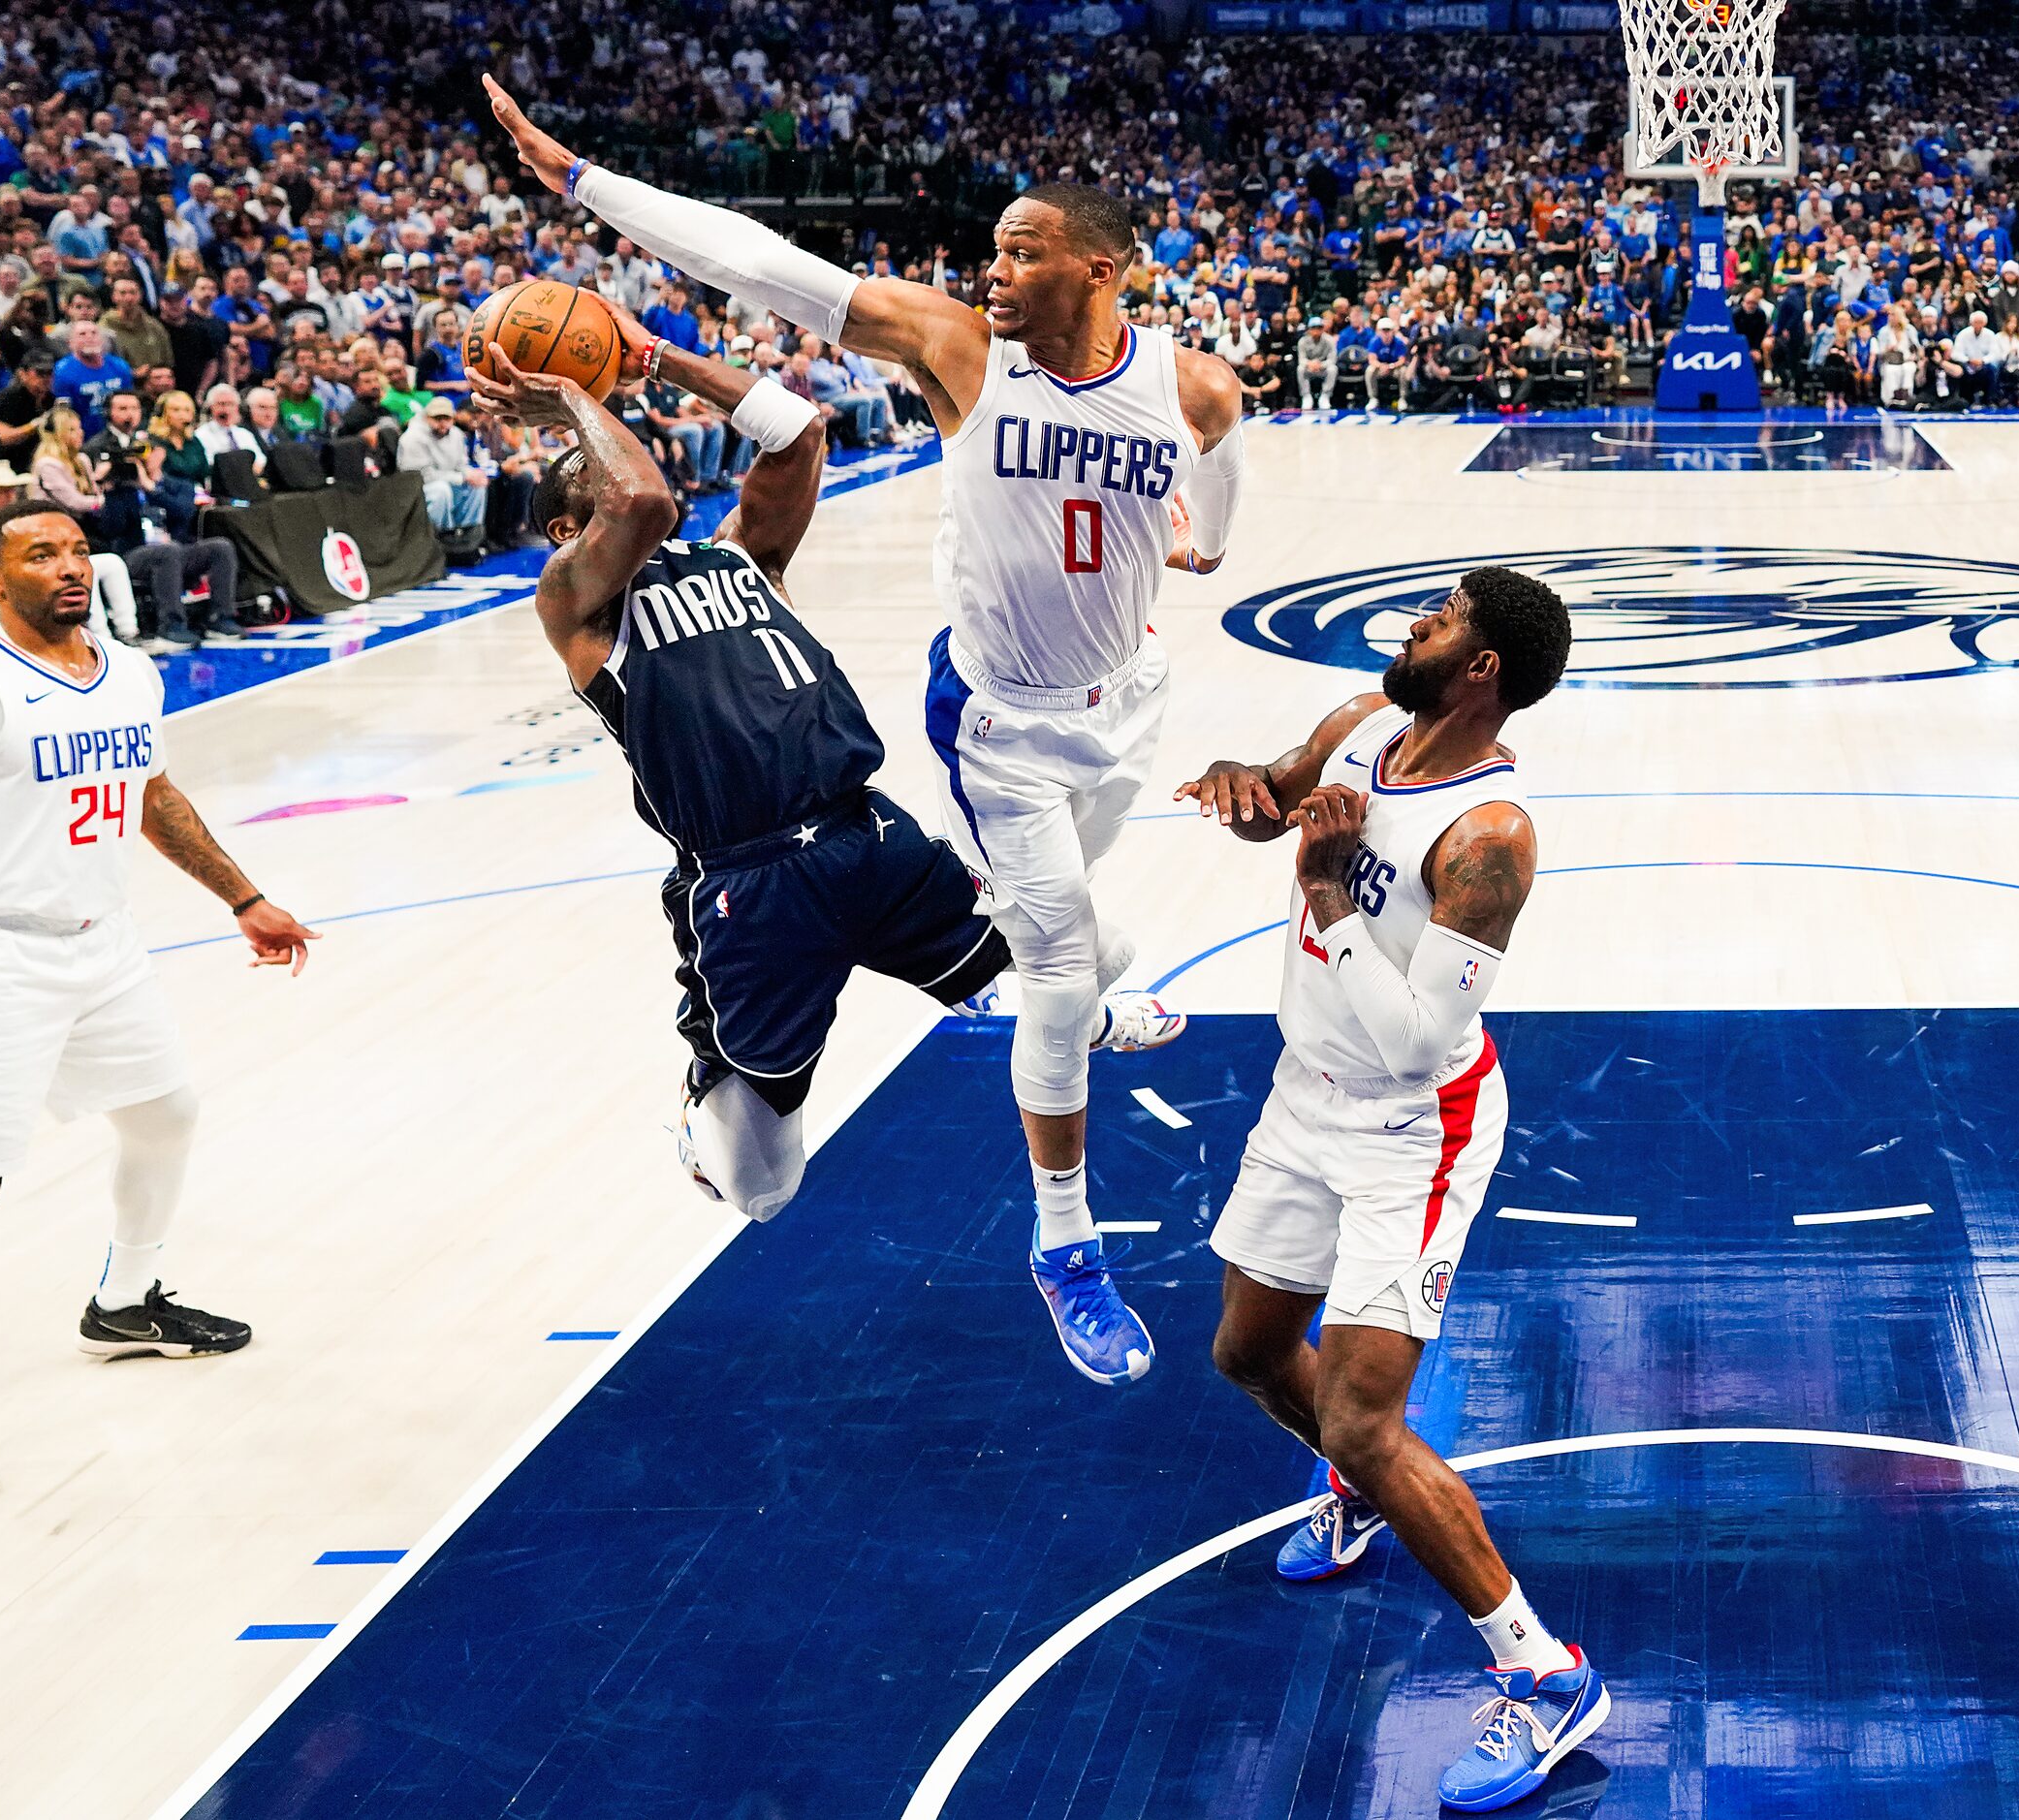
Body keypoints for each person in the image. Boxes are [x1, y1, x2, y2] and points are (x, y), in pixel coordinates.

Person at [490, 75, 1236, 1387]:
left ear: (1100, 270)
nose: (992, 269)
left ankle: (1069, 990)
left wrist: (1200, 532)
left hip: (1096, 715)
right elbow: (761, 268)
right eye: (992, 249)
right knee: (1042, 982)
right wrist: (581, 186)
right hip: (953, 749)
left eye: (1022, 250)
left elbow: (1215, 480)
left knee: (1078, 943)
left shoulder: (1188, 386)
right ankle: (1061, 1246)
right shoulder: (952, 354)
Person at [1174, 568, 1602, 1812]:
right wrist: (1244, 794)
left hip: (1415, 1126)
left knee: (1362, 1416)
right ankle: (1360, 1497)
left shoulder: (1490, 839)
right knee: (1249, 1354)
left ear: (1481, 671)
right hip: (1303, 1090)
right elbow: (1280, 803)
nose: (1414, 621)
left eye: (1442, 620)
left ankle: (1547, 1672)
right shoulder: (1362, 724)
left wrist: (1323, 894)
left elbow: (1420, 1042)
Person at [0, 498, 320, 1506]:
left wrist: (244, 898)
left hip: (101, 948)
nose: (70, 565)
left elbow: (152, 798)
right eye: (40, 554)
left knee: (165, 1116)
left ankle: (126, 1302)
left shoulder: (126, 669)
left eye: (78, 549)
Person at [464, 312, 1009, 1225]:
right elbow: (642, 504)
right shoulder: (574, 601)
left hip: (866, 830)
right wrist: (569, 395)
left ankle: (1047, 1000)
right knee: (763, 1192)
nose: (627, 470)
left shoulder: (741, 554)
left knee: (1065, 971)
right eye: (595, 469)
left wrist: (657, 359)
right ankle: (702, 1107)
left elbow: (798, 430)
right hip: (748, 885)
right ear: (566, 525)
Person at [397, 395, 487, 545]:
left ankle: (468, 537)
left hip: (447, 482)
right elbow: (422, 476)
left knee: (477, 484)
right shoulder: (412, 438)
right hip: (417, 489)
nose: (443, 423)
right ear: (427, 418)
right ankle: (436, 539)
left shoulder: (457, 435)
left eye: (447, 418)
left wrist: (470, 474)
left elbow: (461, 464)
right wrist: (462, 478)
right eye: (437, 418)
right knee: (441, 490)